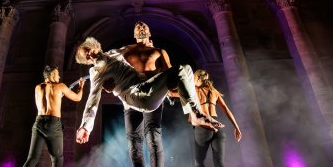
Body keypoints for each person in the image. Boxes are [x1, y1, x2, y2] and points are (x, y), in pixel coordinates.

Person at [75, 35, 224, 138]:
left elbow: (132, 46)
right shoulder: (95, 72)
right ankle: (195, 114)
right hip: (136, 96)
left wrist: (146, 44)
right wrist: (85, 127)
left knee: (184, 69)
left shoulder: (114, 53)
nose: (91, 56)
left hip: (147, 87)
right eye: (87, 57)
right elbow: (92, 101)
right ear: (87, 62)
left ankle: (195, 114)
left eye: (90, 51)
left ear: (95, 47)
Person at [105, 21, 171, 167]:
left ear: (150, 32)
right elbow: (115, 75)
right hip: (131, 98)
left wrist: (177, 92)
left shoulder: (159, 51)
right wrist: (110, 84)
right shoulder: (126, 53)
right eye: (137, 28)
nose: (141, 29)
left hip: (152, 97)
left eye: (144, 27)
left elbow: (170, 76)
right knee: (134, 145)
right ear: (134, 34)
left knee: (153, 141)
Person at [15, 65, 86, 167]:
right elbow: (78, 98)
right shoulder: (60, 86)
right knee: (57, 159)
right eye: (57, 74)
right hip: (53, 123)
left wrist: (60, 93)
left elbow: (49, 98)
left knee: (32, 158)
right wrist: (81, 87)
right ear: (51, 74)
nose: (59, 77)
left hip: (39, 122)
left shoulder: (38, 87)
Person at [192, 69, 242, 167]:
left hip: (204, 126)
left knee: (199, 162)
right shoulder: (214, 92)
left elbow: (176, 94)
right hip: (219, 127)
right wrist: (236, 127)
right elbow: (226, 109)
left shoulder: (194, 90)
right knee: (220, 162)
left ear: (196, 78)